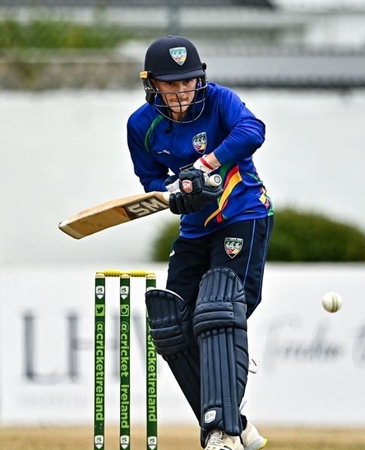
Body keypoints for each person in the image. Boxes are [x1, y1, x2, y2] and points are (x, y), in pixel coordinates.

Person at [127, 35, 273, 450]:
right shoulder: (142, 126)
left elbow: (253, 130)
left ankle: (222, 434)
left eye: (189, 81)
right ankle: (235, 421)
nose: (182, 91)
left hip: (243, 213)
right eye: (172, 84)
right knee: (171, 324)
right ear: (152, 83)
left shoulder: (220, 101)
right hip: (194, 228)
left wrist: (206, 165)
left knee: (218, 309)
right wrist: (176, 190)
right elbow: (151, 182)